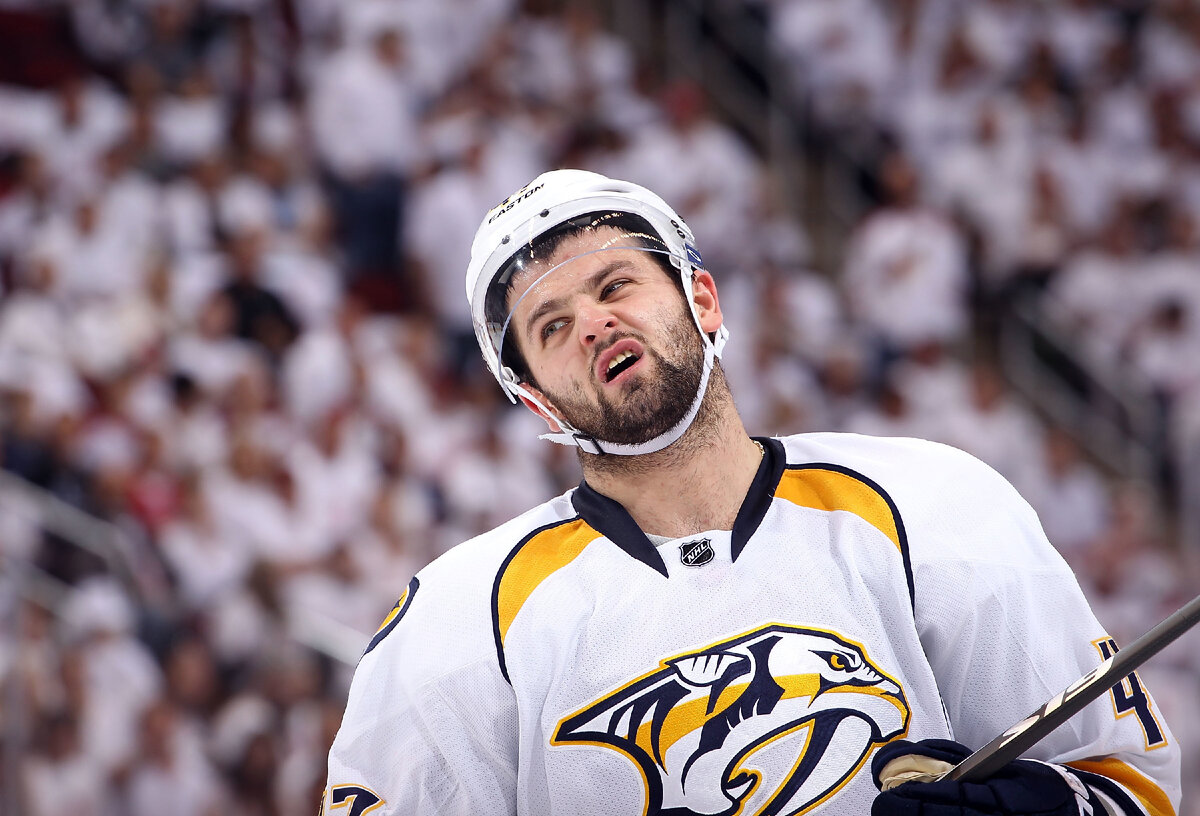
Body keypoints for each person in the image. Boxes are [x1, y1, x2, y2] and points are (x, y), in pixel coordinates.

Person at [322, 170, 1180, 815]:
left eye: (616, 284)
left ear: (700, 295)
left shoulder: (938, 504)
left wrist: (1028, 810)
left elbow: (1134, 786)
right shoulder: (455, 625)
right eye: (551, 327)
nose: (593, 322)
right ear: (539, 401)